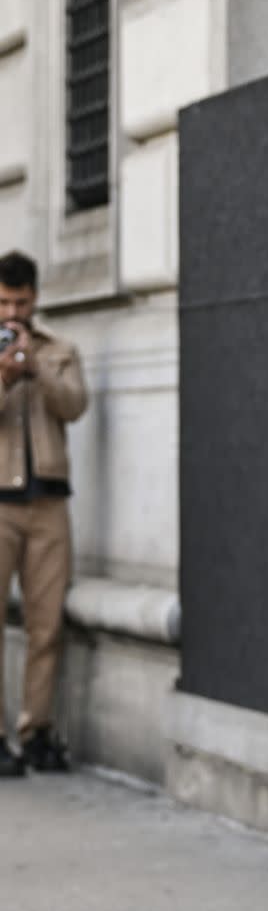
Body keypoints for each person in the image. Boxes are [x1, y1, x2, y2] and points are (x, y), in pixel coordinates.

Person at [0, 250, 88, 777]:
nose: (13, 312)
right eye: (5, 302)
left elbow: (75, 405)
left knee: (45, 625)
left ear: (36, 299)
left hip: (49, 502)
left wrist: (35, 368)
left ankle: (36, 731)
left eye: (22, 302)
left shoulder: (59, 349)